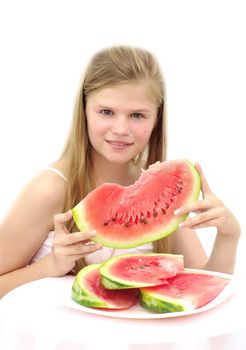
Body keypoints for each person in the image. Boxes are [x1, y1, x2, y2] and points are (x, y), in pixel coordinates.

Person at [0, 45, 241, 298]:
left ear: (156, 119)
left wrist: (229, 236)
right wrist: (50, 266)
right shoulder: (51, 189)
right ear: (84, 111)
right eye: (106, 112)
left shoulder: (164, 194)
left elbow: (204, 288)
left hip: (143, 339)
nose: (121, 128)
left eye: (137, 115)